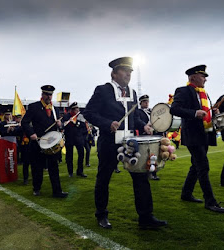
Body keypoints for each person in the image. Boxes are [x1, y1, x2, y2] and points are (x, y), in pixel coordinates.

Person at [84, 56, 167, 229]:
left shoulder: (133, 93)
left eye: (130, 71)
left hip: (131, 143)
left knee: (141, 178)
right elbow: (89, 113)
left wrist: (144, 126)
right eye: (125, 70)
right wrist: (108, 123)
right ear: (114, 73)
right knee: (104, 178)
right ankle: (101, 215)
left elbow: (134, 117)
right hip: (109, 142)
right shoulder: (102, 90)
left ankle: (146, 217)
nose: (128, 74)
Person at [170, 65, 224, 213]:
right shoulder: (183, 90)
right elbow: (174, 108)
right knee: (203, 166)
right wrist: (195, 113)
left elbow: (206, 113)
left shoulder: (204, 93)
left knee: (196, 166)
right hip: (193, 134)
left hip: (205, 133)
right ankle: (211, 202)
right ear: (193, 77)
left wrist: (213, 112)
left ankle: (186, 193)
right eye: (203, 76)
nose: (205, 79)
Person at [21, 85, 68, 198]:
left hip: (51, 142)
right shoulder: (34, 107)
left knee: (54, 168)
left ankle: (57, 191)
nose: (49, 97)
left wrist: (60, 125)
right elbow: (25, 122)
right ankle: (36, 188)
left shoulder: (55, 109)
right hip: (38, 142)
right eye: (46, 94)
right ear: (42, 94)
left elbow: (60, 128)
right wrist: (31, 133)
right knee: (37, 168)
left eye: (50, 95)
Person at [135, 94, 160, 180]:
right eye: (145, 102)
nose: (146, 103)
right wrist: (145, 126)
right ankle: (148, 173)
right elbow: (137, 120)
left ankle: (154, 172)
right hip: (144, 136)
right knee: (147, 156)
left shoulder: (151, 111)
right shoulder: (138, 111)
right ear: (141, 103)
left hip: (154, 135)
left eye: (147, 101)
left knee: (154, 155)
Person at [62, 102, 87, 177]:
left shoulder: (80, 117)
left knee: (81, 154)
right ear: (71, 110)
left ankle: (80, 171)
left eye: (77, 109)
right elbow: (62, 126)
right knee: (69, 156)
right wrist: (65, 124)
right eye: (75, 110)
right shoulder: (66, 116)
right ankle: (70, 172)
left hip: (78, 138)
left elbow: (84, 127)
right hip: (69, 138)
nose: (77, 111)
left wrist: (76, 123)